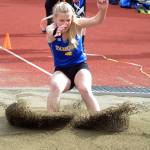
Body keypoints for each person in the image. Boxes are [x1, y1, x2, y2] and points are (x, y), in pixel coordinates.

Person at [43, 1, 108, 113]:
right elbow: (50, 32)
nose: (65, 23)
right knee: (55, 86)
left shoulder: (77, 24)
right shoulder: (51, 28)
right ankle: (51, 119)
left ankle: (98, 118)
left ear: (72, 18)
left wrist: (103, 9)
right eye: (61, 20)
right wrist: (56, 31)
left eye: (68, 20)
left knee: (85, 89)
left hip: (80, 67)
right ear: (55, 19)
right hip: (62, 71)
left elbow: (96, 20)